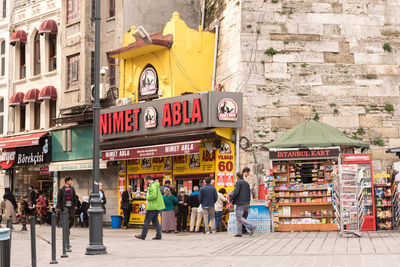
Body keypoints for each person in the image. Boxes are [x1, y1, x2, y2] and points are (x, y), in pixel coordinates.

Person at [135, 176, 165, 240]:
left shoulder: (153, 185)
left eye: (145, 181)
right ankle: (159, 235)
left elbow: (153, 195)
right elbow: (153, 194)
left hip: (152, 206)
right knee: (155, 222)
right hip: (155, 206)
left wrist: (146, 196)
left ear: (148, 180)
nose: (145, 182)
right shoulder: (154, 185)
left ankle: (143, 236)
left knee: (146, 221)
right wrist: (145, 194)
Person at [230, 172, 256, 237]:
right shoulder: (246, 183)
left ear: (237, 177)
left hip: (240, 203)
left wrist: (231, 199)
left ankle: (251, 227)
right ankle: (239, 233)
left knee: (239, 217)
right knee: (239, 217)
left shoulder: (238, 182)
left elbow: (236, 192)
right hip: (246, 203)